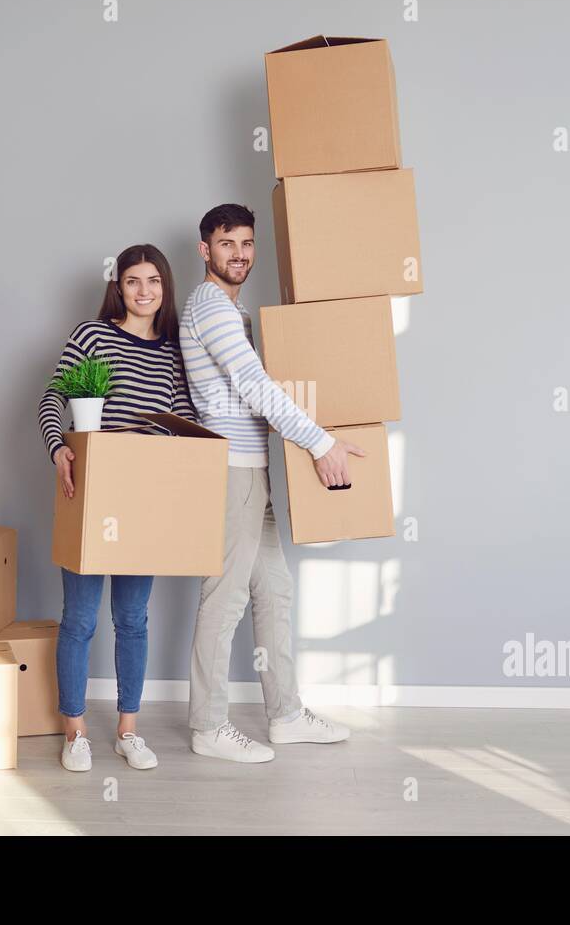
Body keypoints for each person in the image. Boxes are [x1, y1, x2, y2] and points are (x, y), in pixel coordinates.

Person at [179, 204, 361, 762]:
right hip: (230, 469)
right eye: (227, 242)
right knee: (224, 599)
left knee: (275, 592)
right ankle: (208, 728)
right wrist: (321, 441)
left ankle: (284, 716)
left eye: (248, 243)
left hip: (252, 468)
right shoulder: (211, 306)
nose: (240, 253)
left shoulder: (235, 313)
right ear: (205, 250)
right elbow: (255, 387)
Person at [38, 243, 197, 772]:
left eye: (154, 281)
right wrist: (59, 446)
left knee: (132, 618)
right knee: (80, 619)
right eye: (134, 280)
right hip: (88, 493)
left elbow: (180, 421)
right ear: (119, 286)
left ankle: (129, 730)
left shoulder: (172, 353)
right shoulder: (92, 335)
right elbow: (51, 398)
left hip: (141, 499)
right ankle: (75, 731)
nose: (144, 290)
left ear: (164, 288)